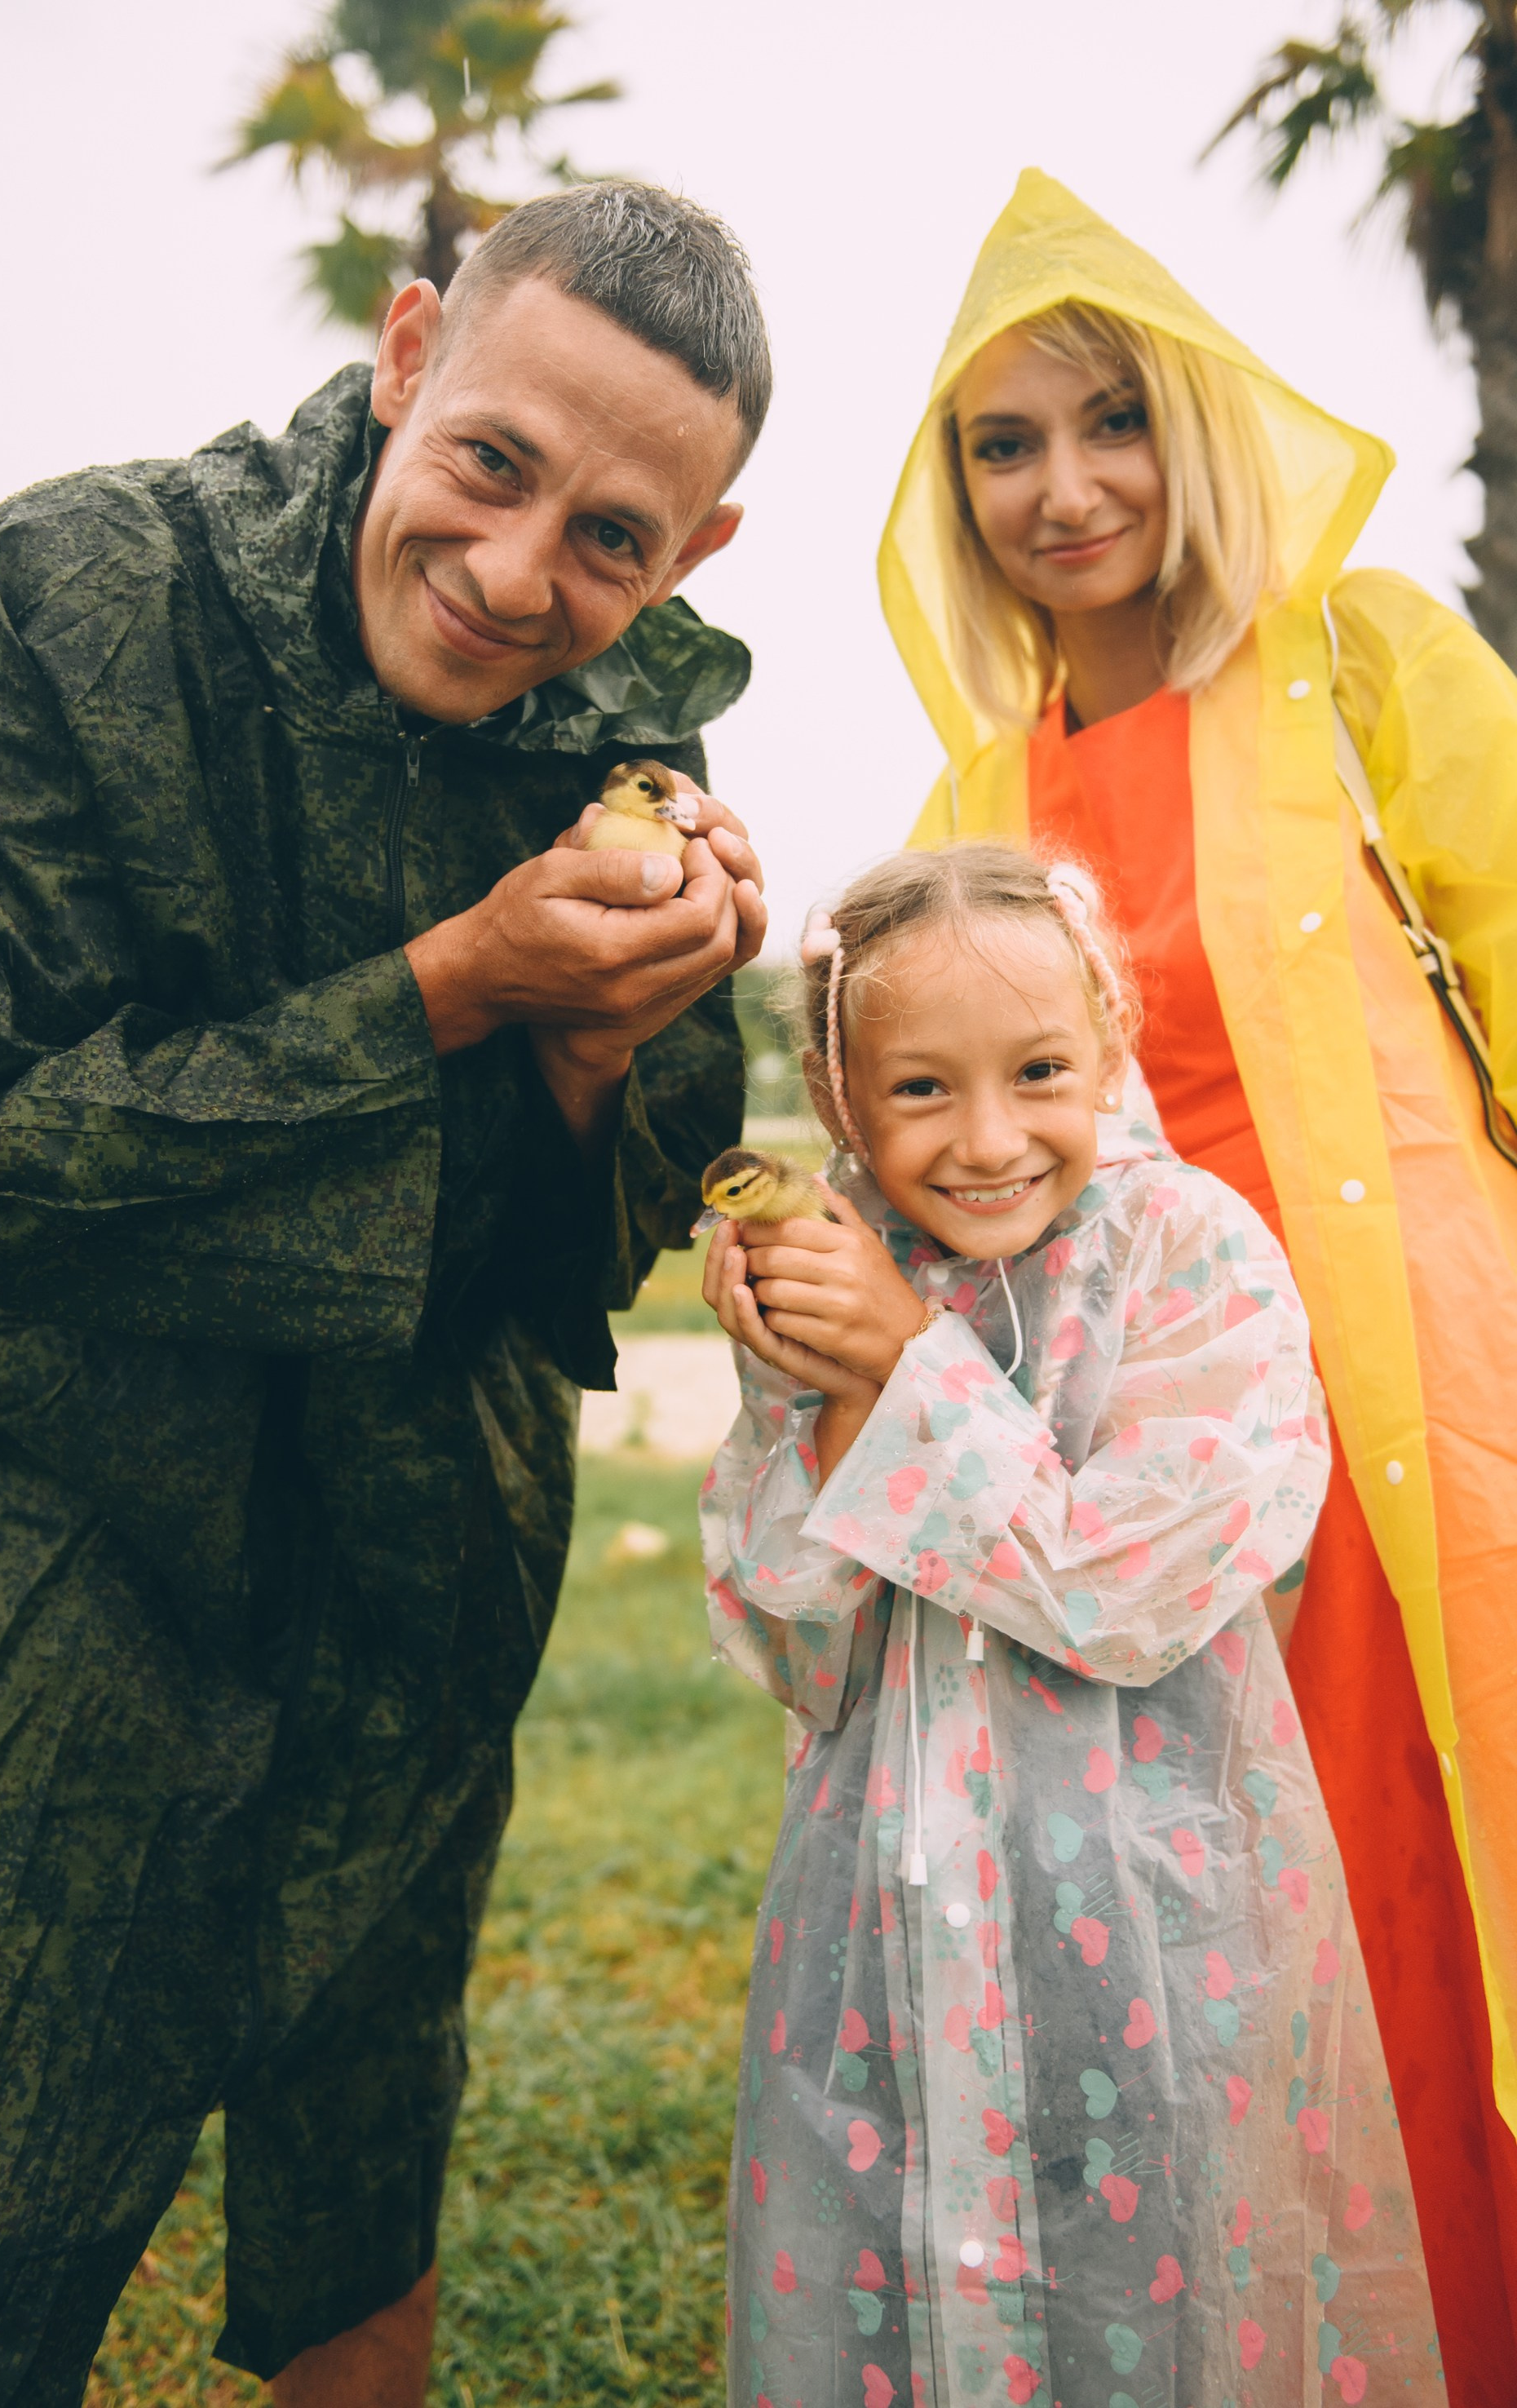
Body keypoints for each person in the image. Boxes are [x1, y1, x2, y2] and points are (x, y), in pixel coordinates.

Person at [0, 181, 770, 2408]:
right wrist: (452, 989)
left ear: (699, 554)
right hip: (48, 1553)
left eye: (612, 539)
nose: (519, 579)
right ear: (405, 357)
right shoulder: (60, 595)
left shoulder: (641, 745)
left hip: (420, 1572)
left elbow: (580, 1269)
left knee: (364, 2145)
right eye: (492, 463)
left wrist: (597, 1055)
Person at [878, 168, 1517, 2405]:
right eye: (1004, 443)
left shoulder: (1368, 657)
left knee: (1471, 1899)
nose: (1067, 488)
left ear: (1199, 430)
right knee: (1248, 1937)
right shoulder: (975, 787)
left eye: (1111, 421)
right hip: (1160, 1469)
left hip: (1443, 1414)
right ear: (950, 491)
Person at [700, 839, 1433, 2406]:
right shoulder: (838, 1262)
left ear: (1108, 1036)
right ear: (838, 1097)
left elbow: (1127, 1588)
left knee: (1159, 2282)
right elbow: (792, 1647)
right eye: (916, 1092)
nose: (985, 1142)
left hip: (1154, 1916)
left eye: (1039, 1071)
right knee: (891, 2264)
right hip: (882, 1909)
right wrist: (812, 1395)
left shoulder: (1196, 1254)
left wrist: (908, 1370)